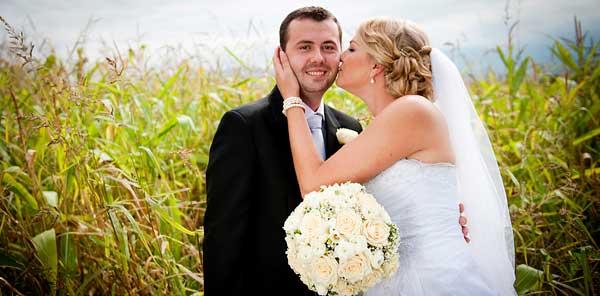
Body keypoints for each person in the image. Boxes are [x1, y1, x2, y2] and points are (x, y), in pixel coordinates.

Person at [204, 7, 469, 295]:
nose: (321, 57)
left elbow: (321, 187)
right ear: (282, 56)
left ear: (377, 65)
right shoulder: (243, 126)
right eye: (304, 47)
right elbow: (223, 239)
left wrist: (438, 220)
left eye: (333, 47)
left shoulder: (355, 125)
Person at [273, 17, 516, 295]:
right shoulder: (381, 125)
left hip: (431, 280)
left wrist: (291, 99)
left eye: (351, 49)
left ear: (376, 64)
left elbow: (313, 184)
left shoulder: (412, 111)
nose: (340, 56)